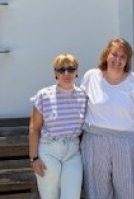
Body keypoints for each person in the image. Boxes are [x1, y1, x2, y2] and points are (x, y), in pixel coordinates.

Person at [81, 38, 134, 199]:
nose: (117, 60)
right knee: (97, 192)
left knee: (127, 190)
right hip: (94, 141)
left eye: (123, 56)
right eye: (114, 54)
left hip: (125, 143)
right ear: (106, 54)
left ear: (127, 61)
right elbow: (80, 107)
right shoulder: (91, 77)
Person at [28, 54, 88, 199]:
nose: (66, 73)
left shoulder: (83, 96)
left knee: (72, 196)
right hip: (49, 151)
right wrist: (34, 158)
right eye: (61, 70)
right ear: (55, 73)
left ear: (76, 71)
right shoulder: (44, 95)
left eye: (70, 69)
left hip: (73, 152)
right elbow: (34, 128)